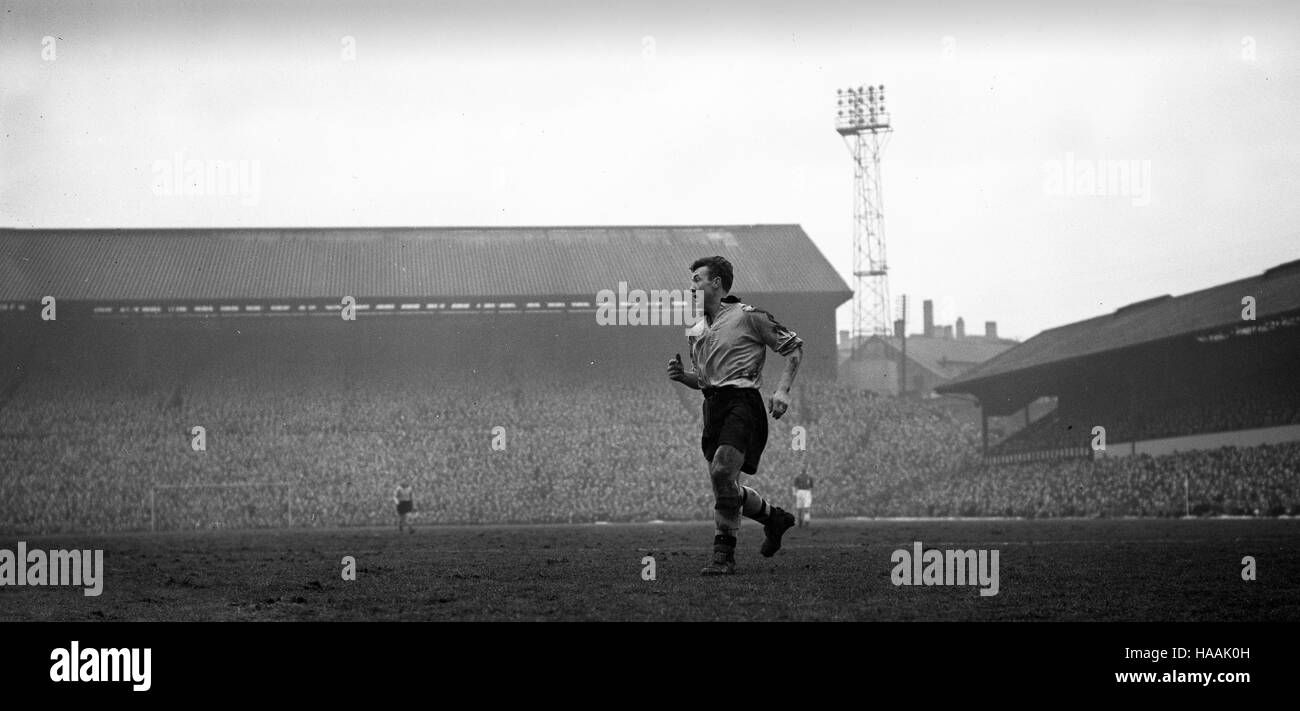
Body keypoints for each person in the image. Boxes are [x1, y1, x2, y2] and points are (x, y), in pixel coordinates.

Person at [667, 255, 803, 575]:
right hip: (712, 406)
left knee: (721, 473)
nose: (692, 286)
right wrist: (682, 376)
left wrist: (782, 390)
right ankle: (774, 518)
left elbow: (794, 347)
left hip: (743, 403)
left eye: (697, 279)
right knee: (724, 481)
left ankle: (723, 557)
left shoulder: (748, 316)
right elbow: (703, 381)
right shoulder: (695, 328)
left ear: (717, 283)